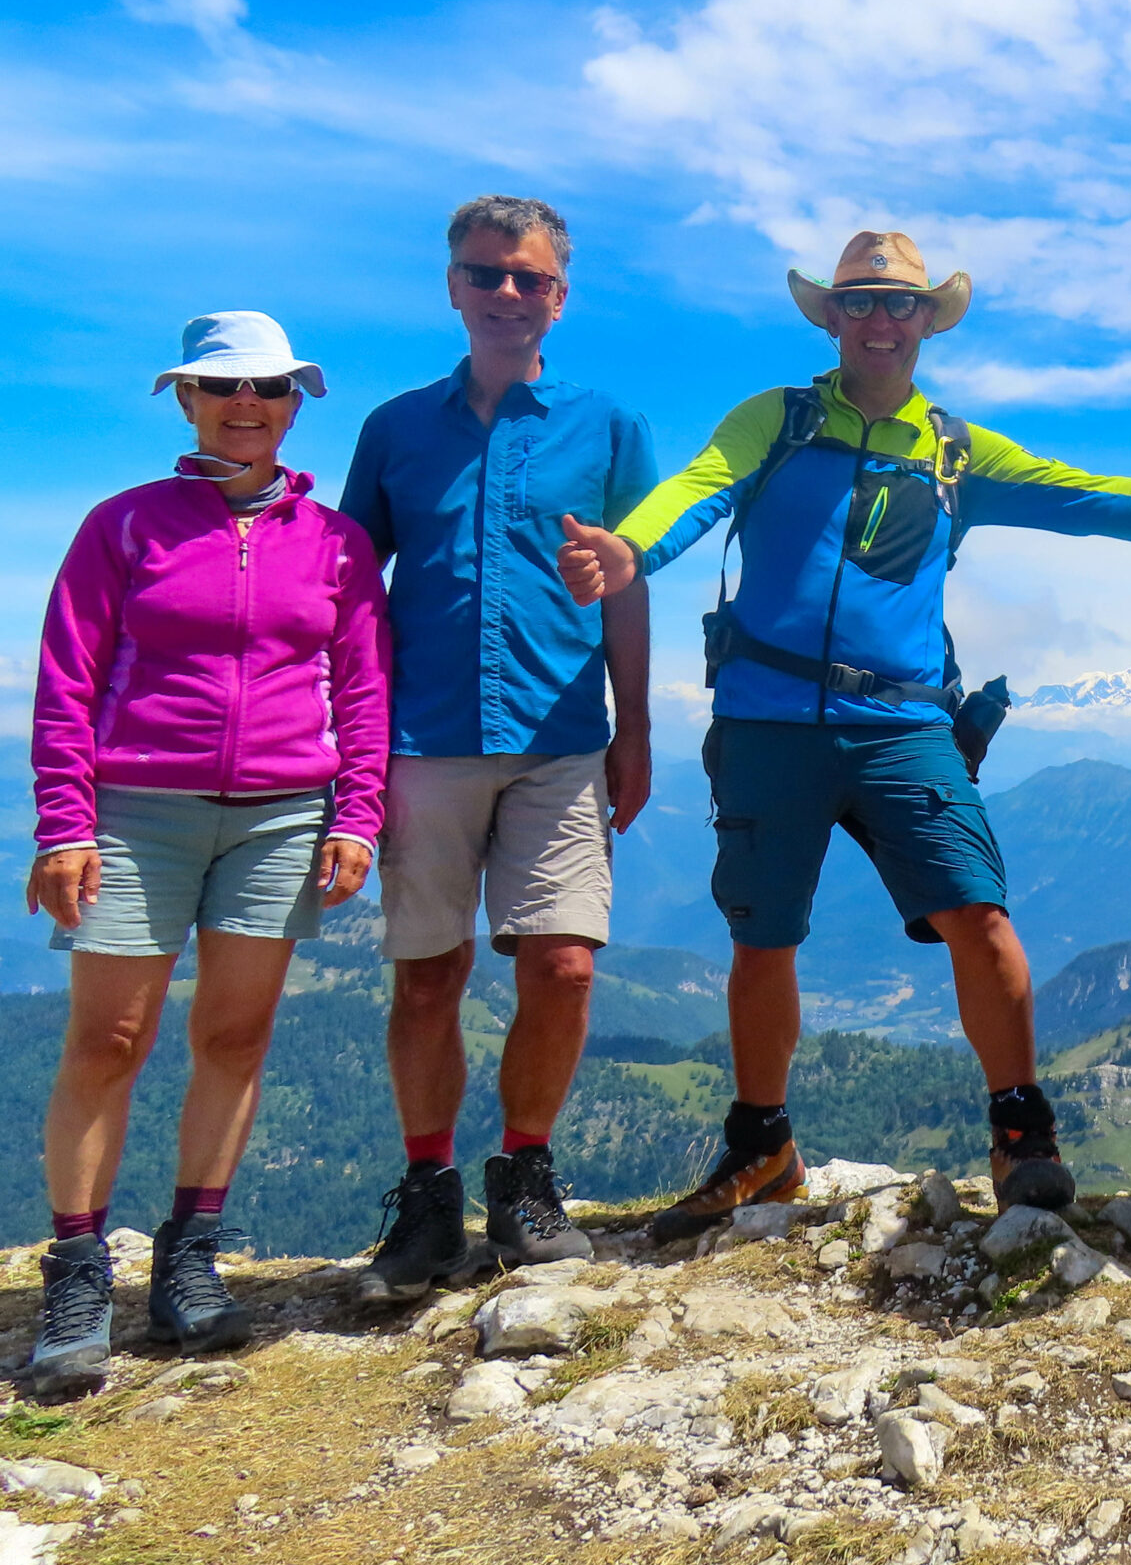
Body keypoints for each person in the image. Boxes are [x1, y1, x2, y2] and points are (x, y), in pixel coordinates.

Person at [560, 232, 1131, 1233]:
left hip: (903, 723)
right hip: (769, 718)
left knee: (980, 914)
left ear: (928, 320)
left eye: (900, 303)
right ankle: (762, 1147)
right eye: (860, 302)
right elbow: (698, 489)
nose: (880, 320)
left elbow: (1097, 499)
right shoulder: (776, 420)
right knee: (762, 937)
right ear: (831, 318)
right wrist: (631, 551)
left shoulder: (957, 452)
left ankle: (1022, 1135)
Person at [25, 314, 388, 1392]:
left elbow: (364, 687)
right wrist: (64, 824)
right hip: (135, 812)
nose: (247, 404)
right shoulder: (123, 526)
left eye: (269, 387)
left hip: (282, 815)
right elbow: (67, 680)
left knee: (235, 1034)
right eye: (223, 386)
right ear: (185, 399)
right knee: (109, 1038)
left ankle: (190, 1261)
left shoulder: (335, 543)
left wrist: (357, 814)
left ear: (294, 404)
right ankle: (78, 1273)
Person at [338, 196, 658, 1300]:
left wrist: (636, 727)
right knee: (430, 977)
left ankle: (524, 1176)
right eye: (485, 274)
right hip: (421, 737)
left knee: (563, 966)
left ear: (560, 297)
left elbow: (630, 584)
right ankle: (429, 1197)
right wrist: (349, 740)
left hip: (560, 734)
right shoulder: (395, 430)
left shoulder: (608, 427)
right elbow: (350, 591)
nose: (506, 293)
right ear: (454, 288)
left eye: (528, 277)